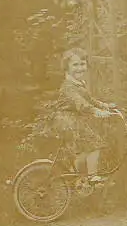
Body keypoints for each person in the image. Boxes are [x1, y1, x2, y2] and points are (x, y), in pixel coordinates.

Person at [49, 48, 115, 183]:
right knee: (95, 144)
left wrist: (104, 106)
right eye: (75, 65)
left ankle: (73, 179)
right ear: (66, 67)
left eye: (82, 64)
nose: (80, 68)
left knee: (85, 150)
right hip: (67, 121)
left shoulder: (79, 84)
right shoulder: (68, 87)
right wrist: (96, 111)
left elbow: (89, 99)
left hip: (74, 120)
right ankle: (92, 177)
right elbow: (81, 103)